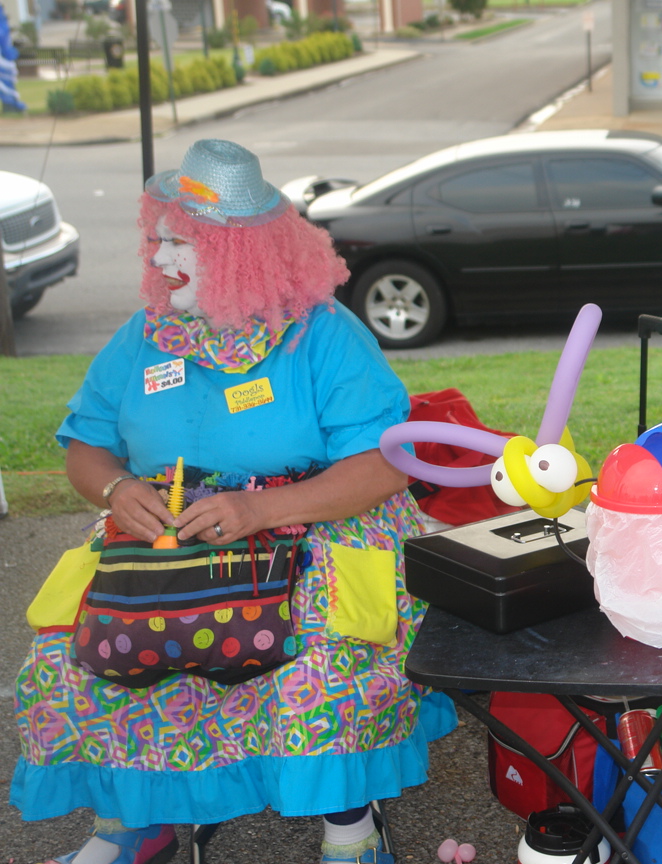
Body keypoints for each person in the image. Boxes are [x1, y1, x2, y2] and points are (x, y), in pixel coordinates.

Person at [13, 139, 442, 864]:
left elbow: (386, 466)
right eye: (158, 239)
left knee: (313, 666)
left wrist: (262, 512)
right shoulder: (143, 337)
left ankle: (348, 826)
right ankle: (133, 824)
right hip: (165, 539)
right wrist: (119, 489)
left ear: (241, 253)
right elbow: (84, 445)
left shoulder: (323, 336)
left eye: (181, 243)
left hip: (312, 529)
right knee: (76, 658)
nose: (158, 259)